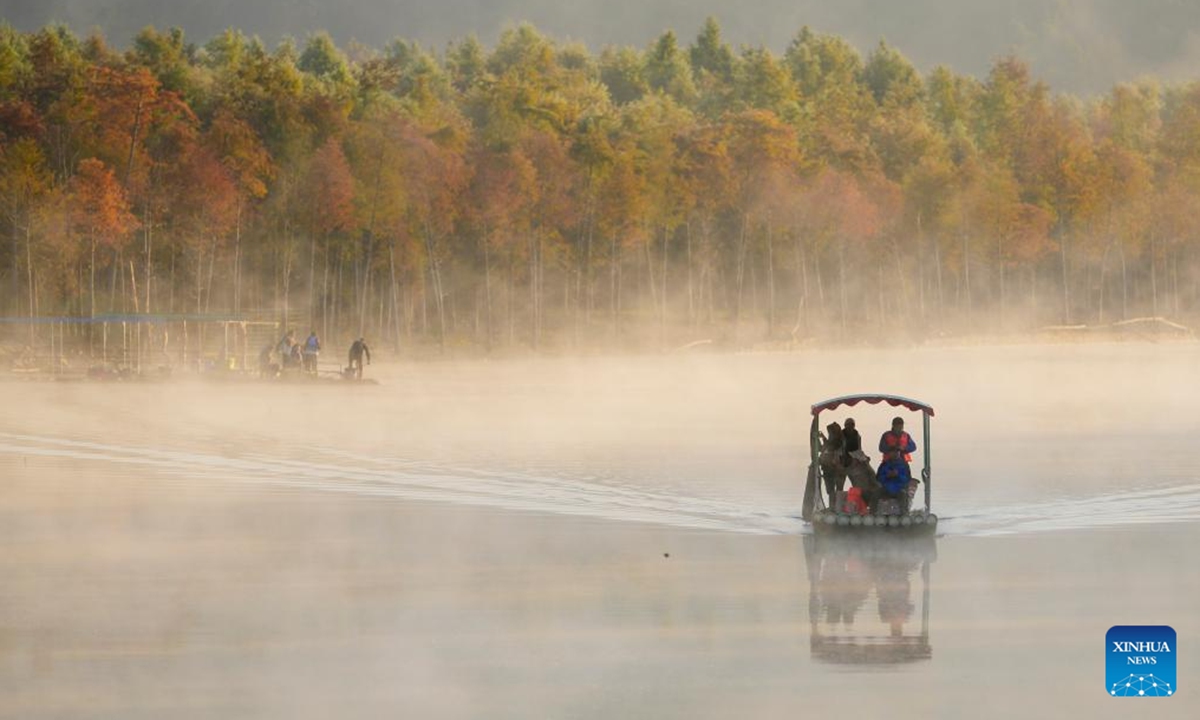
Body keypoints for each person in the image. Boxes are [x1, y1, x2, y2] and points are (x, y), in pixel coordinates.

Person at [877, 416, 917, 502]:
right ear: (893, 426)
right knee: (885, 479)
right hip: (888, 461)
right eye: (898, 426)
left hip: (903, 462)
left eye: (901, 426)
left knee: (905, 480)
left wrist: (904, 448)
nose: (900, 428)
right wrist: (891, 448)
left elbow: (913, 447)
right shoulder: (886, 435)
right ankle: (886, 497)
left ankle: (904, 497)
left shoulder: (906, 435)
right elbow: (881, 448)